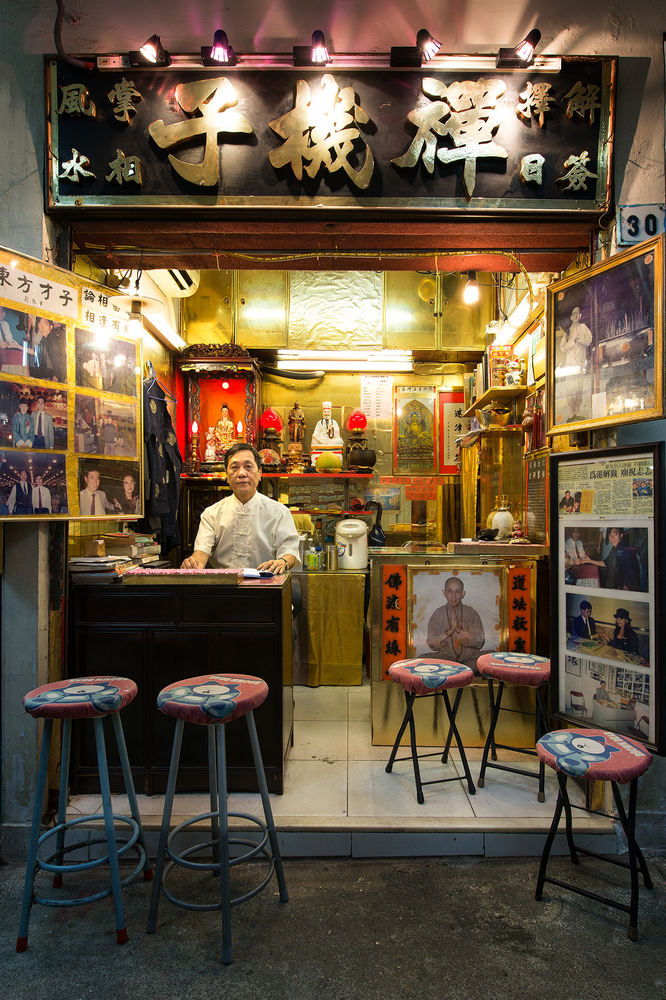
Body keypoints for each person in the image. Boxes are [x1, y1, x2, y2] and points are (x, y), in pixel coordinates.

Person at [181, 442, 300, 573]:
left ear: (259, 472)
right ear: (226, 474)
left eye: (248, 467)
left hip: (265, 581)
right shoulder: (211, 513)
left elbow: (290, 553)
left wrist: (282, 561)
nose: (242, 473)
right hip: (224, 582)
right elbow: (201, 553)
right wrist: (193, 563)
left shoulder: (279, 513)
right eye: (234, 467)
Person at [426, 577, 485, 673]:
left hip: (469, 659)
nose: (453, 596)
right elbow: (430, 641)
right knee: (422, 659)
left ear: (462, 594)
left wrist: (461, 632)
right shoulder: (438, 614)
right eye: (450, 592)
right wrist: (446, 634)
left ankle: (457, 670)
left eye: (457, 592)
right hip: (445, 659)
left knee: (489, 657)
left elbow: (481, 641)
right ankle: (463, 671)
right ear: (444, 593)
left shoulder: (471, 613)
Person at [580, 527, 641, 592]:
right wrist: (590, 561)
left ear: (621, 535)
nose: (612, 538)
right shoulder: (616, 548)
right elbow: (606, 563)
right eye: (610, 535)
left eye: (615, 534)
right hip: (619, 585)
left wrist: (621, 591)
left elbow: (630, 580)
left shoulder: (624, 551)